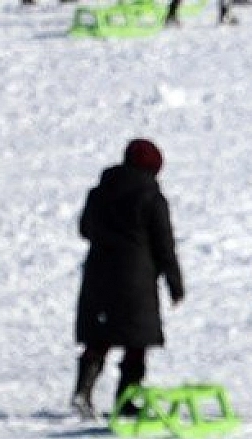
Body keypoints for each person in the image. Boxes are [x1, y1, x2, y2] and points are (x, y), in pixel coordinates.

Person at [72, 138, 183, 420]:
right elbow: (163, 243)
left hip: (99, 273)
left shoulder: (100, 191)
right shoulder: (151, 196)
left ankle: (82, 392)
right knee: (136, 342)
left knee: (100, 336)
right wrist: (174, 282)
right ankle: (127, 401)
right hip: (136, 279)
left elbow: (85, 229)